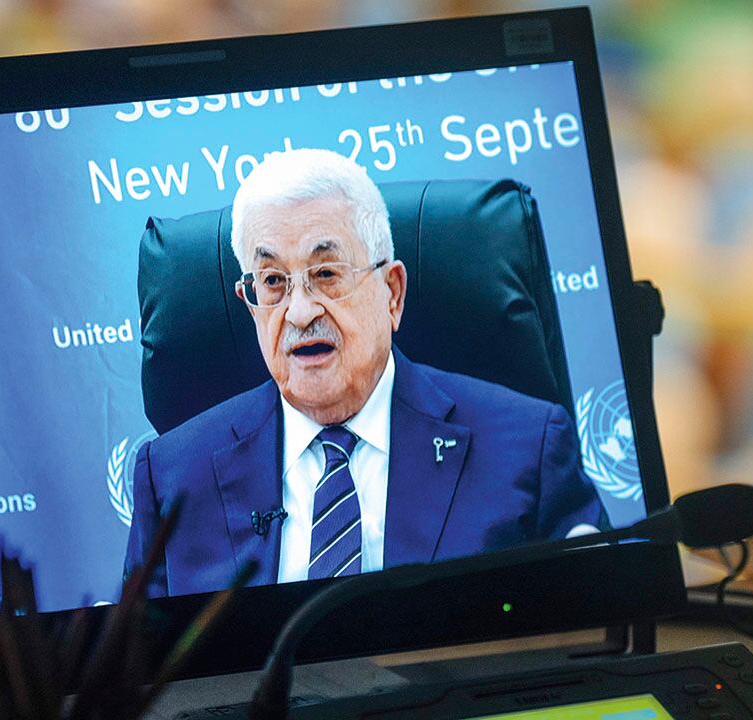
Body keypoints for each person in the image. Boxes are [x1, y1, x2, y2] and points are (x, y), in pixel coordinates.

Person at [125, 148, 605, 598]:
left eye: (326, 273)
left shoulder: (529, 447)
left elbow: (593, 627)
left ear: (392, 294)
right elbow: (141, 670)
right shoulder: (171, 478)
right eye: (272, 282)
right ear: (250, 305)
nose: (298, 312)